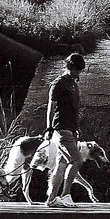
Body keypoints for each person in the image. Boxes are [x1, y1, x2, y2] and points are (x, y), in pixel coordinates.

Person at [44, 52, 86, 207]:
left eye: (80, 70)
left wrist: (76, 128)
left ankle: (51, 200)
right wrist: (48, 127)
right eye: (76, 69)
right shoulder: (59, 83)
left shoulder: (73, 83)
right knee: (77, 160)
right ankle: (66, 195)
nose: (78, 73)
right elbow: (51, 106)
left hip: (72, 129)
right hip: (61, 129)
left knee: (61, 164)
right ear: (69, 66)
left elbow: (73, 108)